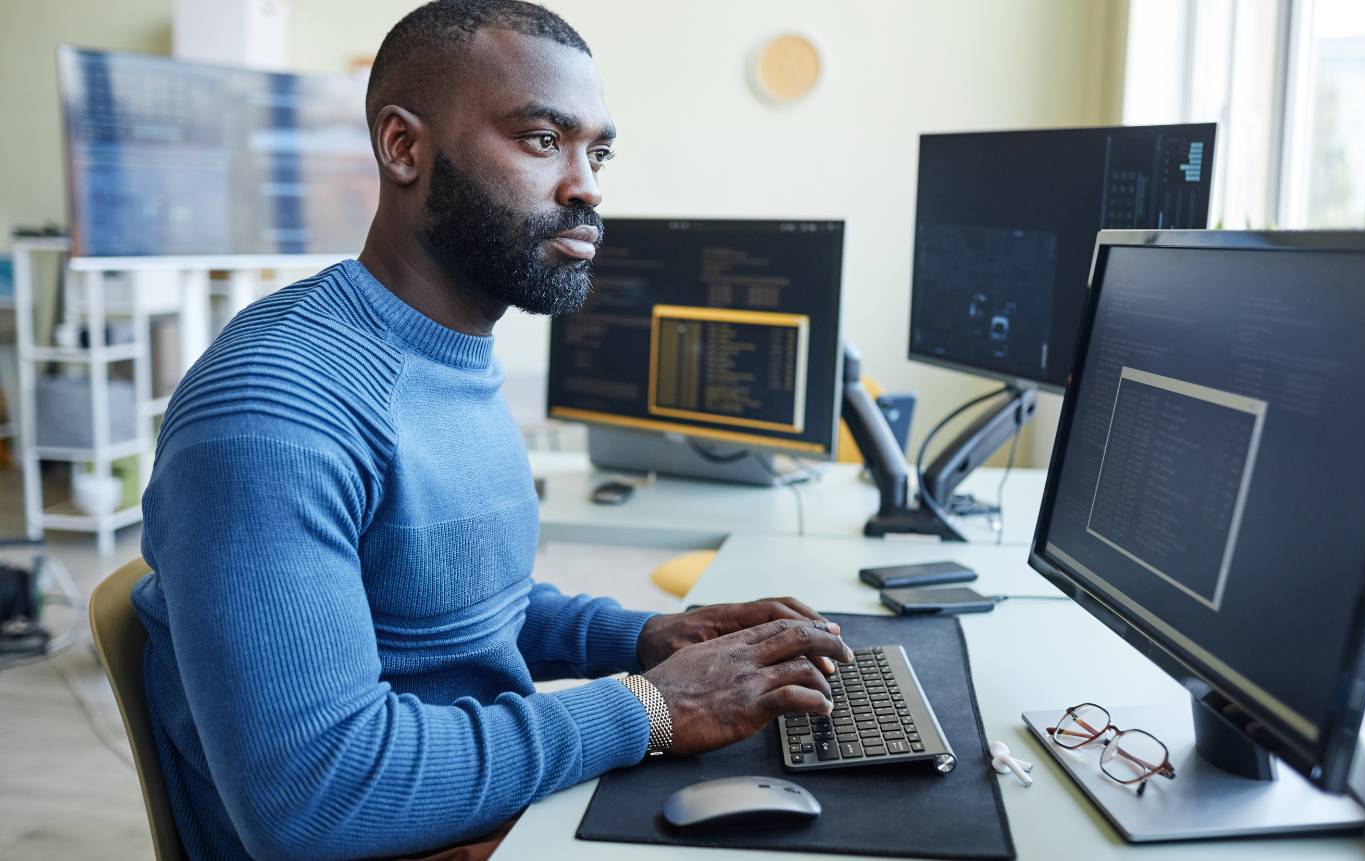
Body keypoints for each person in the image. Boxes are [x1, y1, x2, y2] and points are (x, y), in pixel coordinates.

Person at [132, 2, 851, 858]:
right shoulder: (275, 409)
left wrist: (640, 638)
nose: (586, 185)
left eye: (599, 151)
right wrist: (653, 706)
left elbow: (451, 609)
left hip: (481, 814)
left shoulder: (450, 355)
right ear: (403, 148)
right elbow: (313, 794)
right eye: (543, 140)